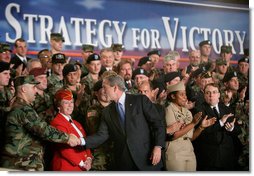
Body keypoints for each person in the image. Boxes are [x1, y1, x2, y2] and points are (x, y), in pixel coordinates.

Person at [84, 73, 166, 171]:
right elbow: (102, 135)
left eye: (105, 88)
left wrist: (158, 147)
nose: (104, 92)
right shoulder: (107, 112)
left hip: (148, 159)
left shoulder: (140, 100)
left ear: (115, 88)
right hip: (124, 163)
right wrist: (81, 141)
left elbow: (158, 124)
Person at [0, 75, 80, 171]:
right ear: (24, 89)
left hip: (21, 163)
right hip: (21, 164)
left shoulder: (20, 107)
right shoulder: (23, 109)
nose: (36, 91)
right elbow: (43, 130)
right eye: (33, 87)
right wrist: (67, 138)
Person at [164, 81, 214, 171]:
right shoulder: (169, 110)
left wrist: (201, 127)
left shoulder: (187, 112)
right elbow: (173, 136)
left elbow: (191, 137)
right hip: (175, 152)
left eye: (185, 94)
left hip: (189, 150)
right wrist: (193, 123)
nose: (185, 97)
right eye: (182, 95)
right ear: (173, 96)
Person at [192, 83, 241, 171]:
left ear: (218, 94)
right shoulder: (198, 110)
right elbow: (202, 132)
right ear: (204, 95)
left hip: (227, 157)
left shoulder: (227, 109)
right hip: (209, 159)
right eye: (208, 93)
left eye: (214, 92)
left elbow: (238, 130)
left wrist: (231, 129)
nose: (211, 95)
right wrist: (221, 122)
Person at [50, 89, 92, 171]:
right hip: (67, 167)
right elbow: (64, 150)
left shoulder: (77, 123)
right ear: (58, 106)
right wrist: (82, 164)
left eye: (72, 102)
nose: (70, 105)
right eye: (66, 102)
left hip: (82, 166)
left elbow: (85, 141)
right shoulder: (57, 122)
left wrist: (89, 158)